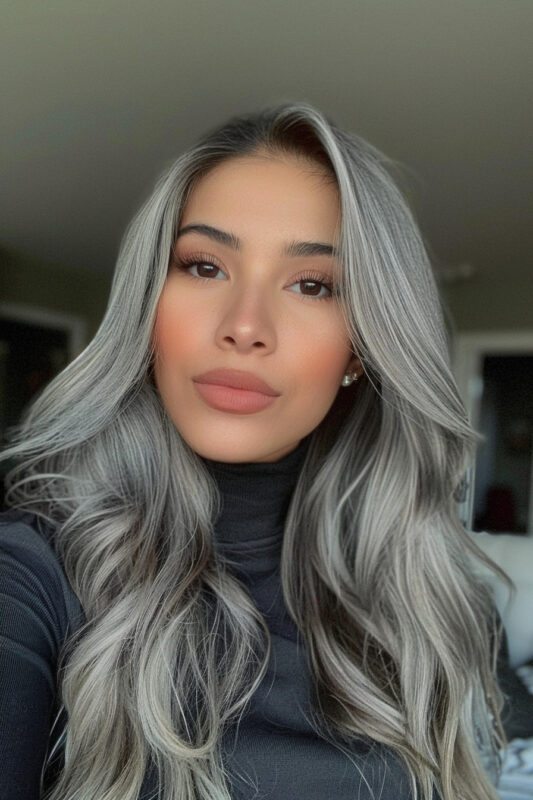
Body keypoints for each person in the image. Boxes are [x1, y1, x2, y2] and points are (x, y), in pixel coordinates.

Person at [0, 102, 510, 800]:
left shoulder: (437, 601)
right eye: (205, 266)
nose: (245, 326)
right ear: (147, 309)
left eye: (312, 284)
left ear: (360, 350)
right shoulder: (32, 577)